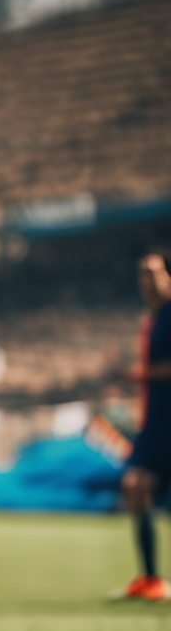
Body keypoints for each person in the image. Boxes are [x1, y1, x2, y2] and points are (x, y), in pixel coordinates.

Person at [120, 249, 171, 600]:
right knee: (134, 485)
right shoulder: (152, 320)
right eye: (142, 274)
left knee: (140, 485)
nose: (147, 281)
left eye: (154, 273)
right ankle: (151, 579)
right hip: (154, 421)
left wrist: (142, 374)